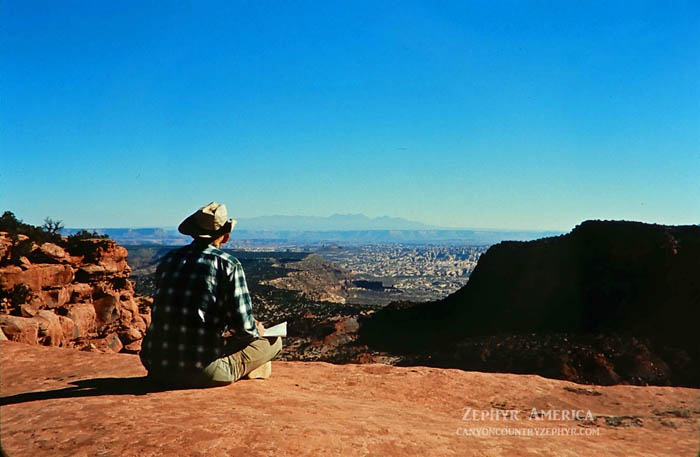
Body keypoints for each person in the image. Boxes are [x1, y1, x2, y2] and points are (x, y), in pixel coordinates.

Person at [139, 202, 282, 387]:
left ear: (192, 232)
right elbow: (244, 330)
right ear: (225, 236)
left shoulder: (169, 258)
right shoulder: (228, 264)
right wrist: (257, 331)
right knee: (273, 342)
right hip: (200, 370)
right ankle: (247, 368)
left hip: (156, 364)